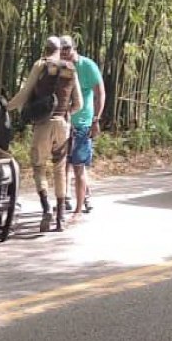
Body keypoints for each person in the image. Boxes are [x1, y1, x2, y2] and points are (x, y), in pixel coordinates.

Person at [8, 36, 83, 232]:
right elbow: (79, 104)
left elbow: (25, 93)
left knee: (39, 167)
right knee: (59, 169)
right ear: (60, 50)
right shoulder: (70, 68)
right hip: (62, 125)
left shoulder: (41, 65)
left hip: (42, 125)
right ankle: (59, 220)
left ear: (45, 48)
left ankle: (46, 208)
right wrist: (65, 113)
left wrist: (6, 106)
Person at [60, 35, 105, 221]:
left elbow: (100, 93)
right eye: (61, 49)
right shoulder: (58, 67)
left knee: (79, 165)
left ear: (74, 48)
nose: (65, 52)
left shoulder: (87, 66)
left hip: (82, 122)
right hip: (63, 122)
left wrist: (96, 119)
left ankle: (81, 203)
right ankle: (67, 199)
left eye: (67, 48)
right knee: (64, 164)